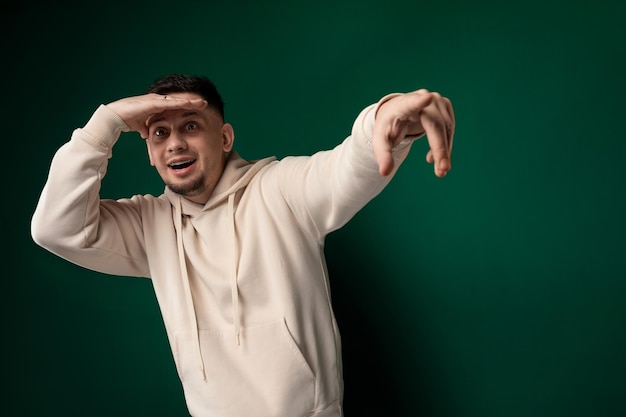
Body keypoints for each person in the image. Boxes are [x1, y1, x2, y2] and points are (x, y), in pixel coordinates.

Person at [31, 73, 455, 417]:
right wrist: (105, 123)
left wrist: (384, 120)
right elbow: (56, 229)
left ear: (226, 138)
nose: (175, 143)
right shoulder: (148, 225)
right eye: (160, 132)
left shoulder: (281, 190)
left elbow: (344, 166)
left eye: (191, 126)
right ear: (150, 153)